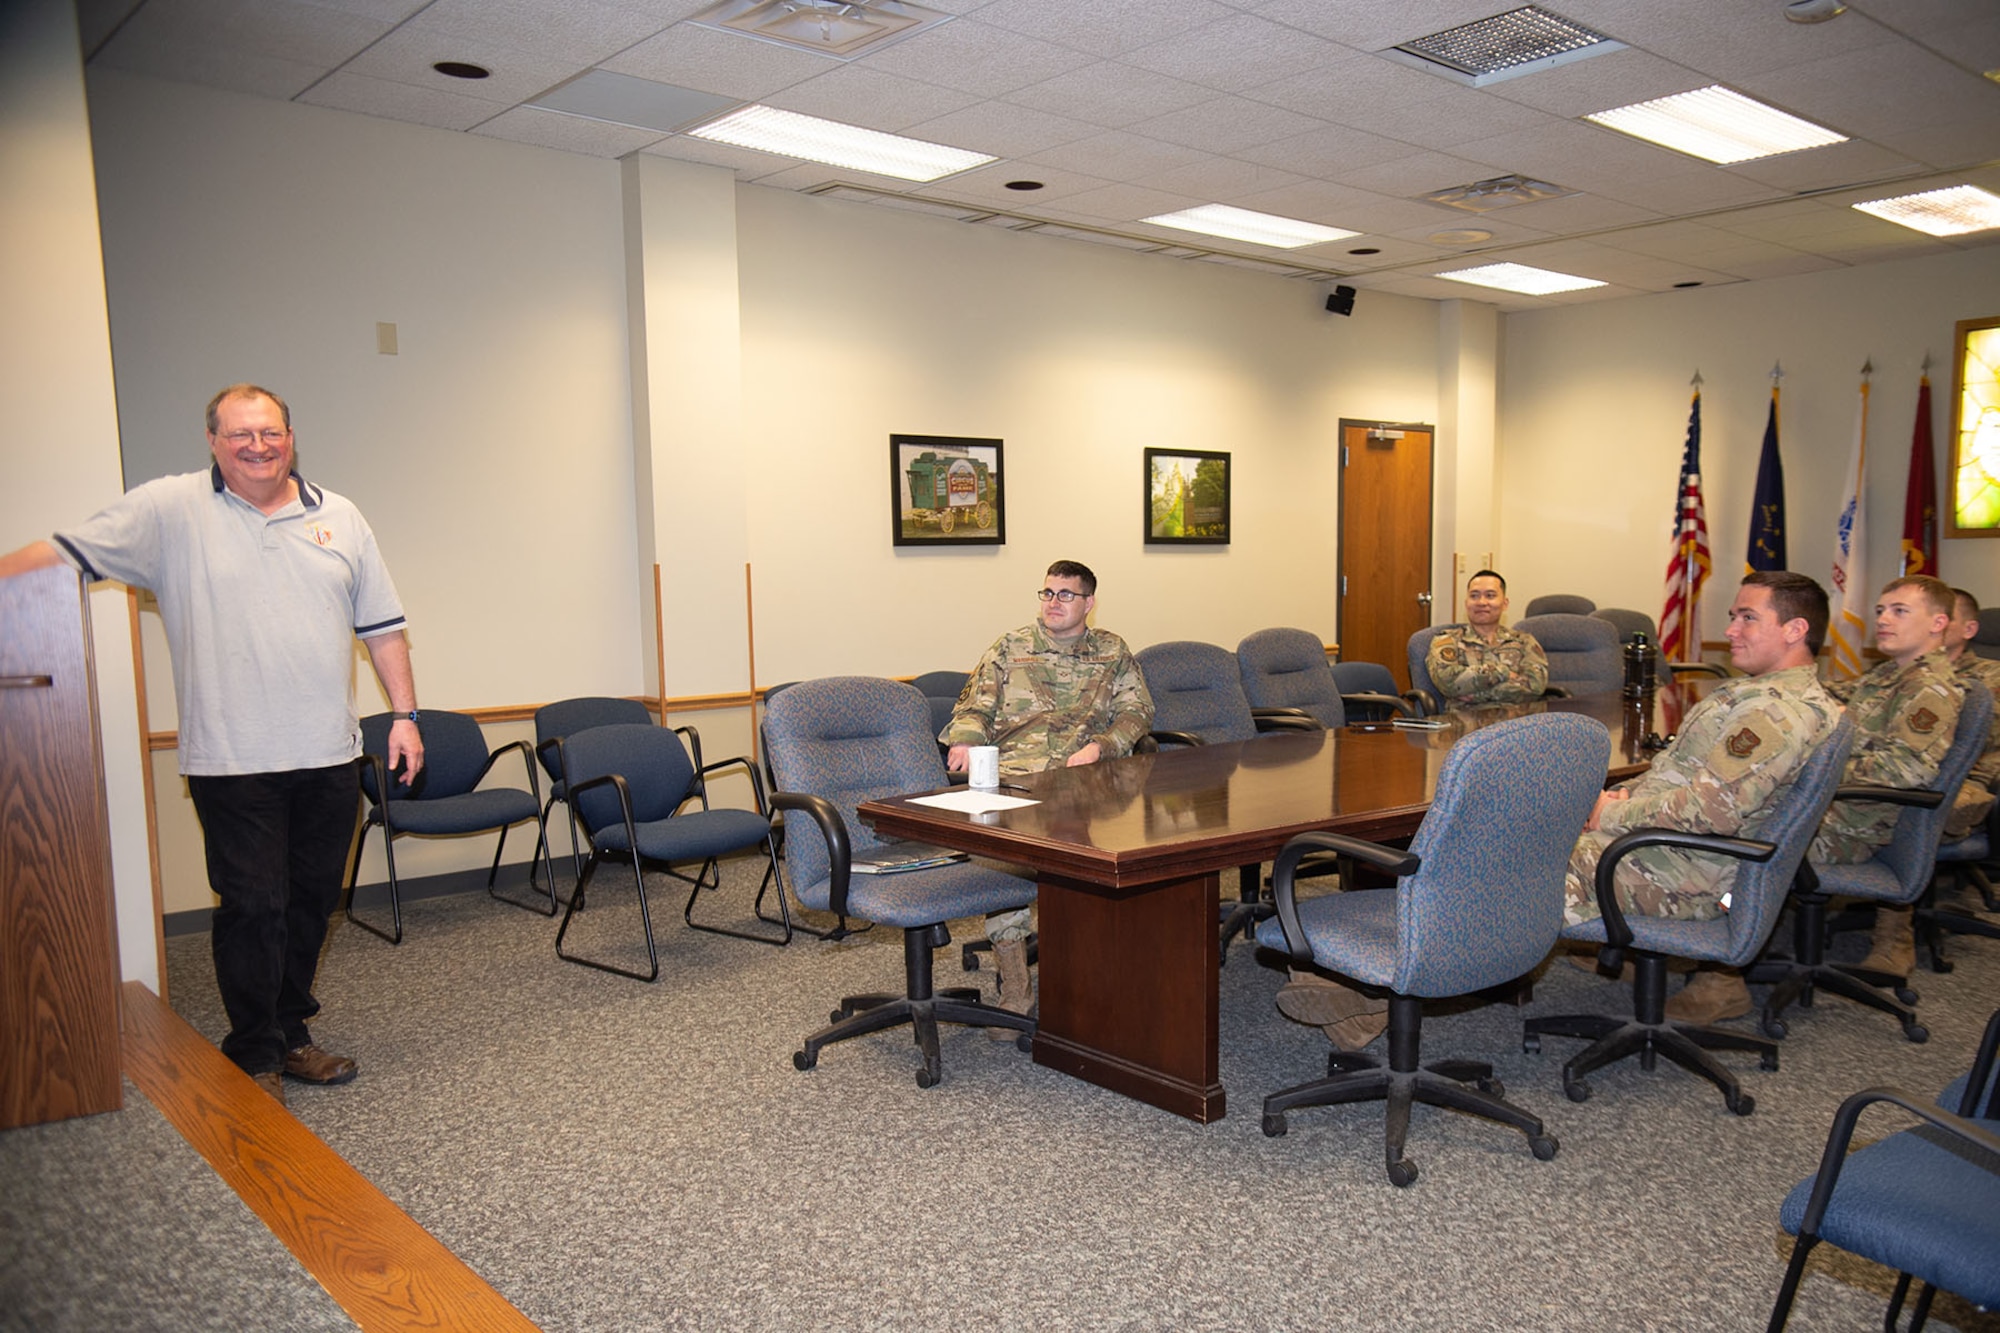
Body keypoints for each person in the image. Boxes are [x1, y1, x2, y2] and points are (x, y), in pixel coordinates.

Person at [0, 385, 422, 1108]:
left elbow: (381, 626)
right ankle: (252, 1048)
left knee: (311, 903)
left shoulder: (340, 516)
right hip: (232, 760)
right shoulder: (171, 510)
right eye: (239, 435)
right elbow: (65, 553)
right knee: (254, 903)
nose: (257, 446)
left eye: (270, 433)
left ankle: (291, 1032)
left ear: (292, 435)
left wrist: (406, 716)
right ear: (212, 440)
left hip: (329, 755)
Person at [1563, 571, 1842, 1024]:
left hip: (1694, 875)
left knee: (1526, 863)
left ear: (1795, 630)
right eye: (1734, 616)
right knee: (1546, 836)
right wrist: (1624, 797)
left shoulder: (1775, 713)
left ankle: (1435, 970)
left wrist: (1613, 815)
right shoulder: (1766, 693)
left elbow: (1711, 811)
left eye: (1748, 618)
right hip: (1678, 854)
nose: (1731, 630)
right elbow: (1686, 778)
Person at [942, 559, 1153, 1028]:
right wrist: (966, 739)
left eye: (1065, 595)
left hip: (1087, 781)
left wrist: (1104, 745)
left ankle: (1097, 969)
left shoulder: (1112, 651)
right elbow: (976, 704)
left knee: (1108, 864)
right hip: (1018, 780)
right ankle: (1015, 985)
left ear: (1089, 603)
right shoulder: (1011, 647)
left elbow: (1137, 711)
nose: (1053, 603)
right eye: (1047, 593)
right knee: (1006, 863)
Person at [1817, 575, 1965, 978]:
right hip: (1838, 807)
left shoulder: (1930, 689)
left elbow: (1905, 769)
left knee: (1739, 845)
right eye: (1881, 610)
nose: (1883, 619)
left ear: (1937, 623)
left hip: (1857, 825)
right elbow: (1838, 695)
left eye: (1900, 611)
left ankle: (1720, 973)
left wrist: (1815, 769)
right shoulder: (1887, 675)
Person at [1424, 569, 1549, 705]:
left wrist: (1477, 694)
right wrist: (1504, 672)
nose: (1482, 602)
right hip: (1467, 722)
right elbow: (1447, 683)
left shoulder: (1524, 641)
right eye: (1474, 596)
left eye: (1490, 596)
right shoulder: (1447, 640)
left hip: (1517, 723)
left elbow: (1535, 687)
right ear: (1466, 603)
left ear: (1505, 603)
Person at [1941, 587, 2000, 840]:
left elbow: (1979, 737)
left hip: (1969, 778)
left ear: (1969, 630)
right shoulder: (1904, 671)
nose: (1936, 622)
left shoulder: (1991, 676)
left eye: (1946, 616)